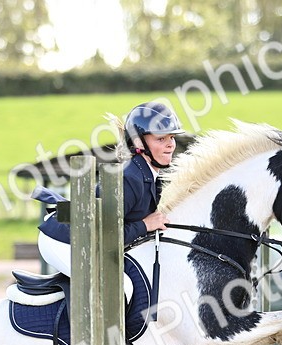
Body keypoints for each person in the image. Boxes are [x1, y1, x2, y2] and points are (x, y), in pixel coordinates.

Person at [37, 100, 185, 274]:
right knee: (108, 283)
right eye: (161, 138)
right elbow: (106, 235)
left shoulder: (150, 175)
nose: (171, 144)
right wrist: (145, 225)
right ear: (138, 143)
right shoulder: (130, 179)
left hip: (89, 237)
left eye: (172, 137)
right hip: (63, 241)